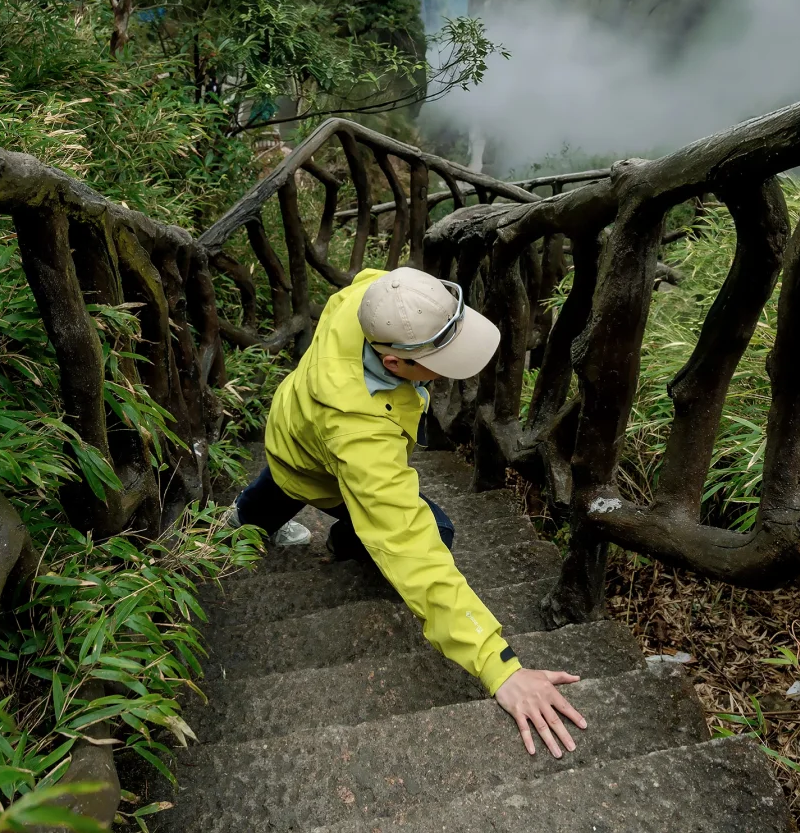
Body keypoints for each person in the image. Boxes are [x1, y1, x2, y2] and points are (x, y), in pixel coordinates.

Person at [227, 264, 587, 758]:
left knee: (271, 491)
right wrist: (499, 665)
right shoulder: (359, 434)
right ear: (394, 364)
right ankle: (317, 533)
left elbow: (394, 285)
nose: (450, 369)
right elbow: (407, 544)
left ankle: (254, 519)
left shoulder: (378, 295)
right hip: (322, 465)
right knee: (430, 531)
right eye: (439, 362)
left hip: (292, 425)